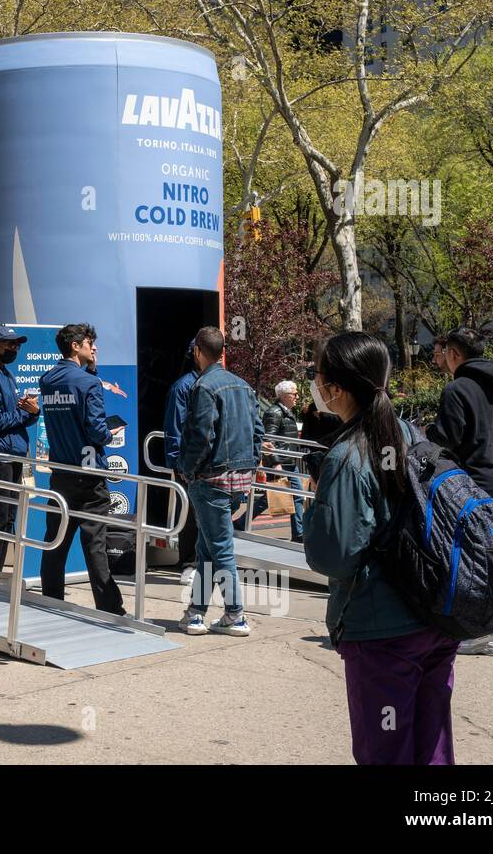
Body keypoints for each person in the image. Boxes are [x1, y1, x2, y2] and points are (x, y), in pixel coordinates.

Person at [305, 331, 459, 765]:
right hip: (435, 617)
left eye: (318, 378)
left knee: (386, 751)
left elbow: (333, 555)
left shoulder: (347, 456)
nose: (315, 388)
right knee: (432, 747)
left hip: (382, 632)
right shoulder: (415, 436)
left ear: (335, 390)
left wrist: (316, 513)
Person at [427, 326, 493, 656]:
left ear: (454, 354)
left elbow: (447, 438)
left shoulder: (458, 389)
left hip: (464, 485)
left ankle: (486, 632)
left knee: (469, 560)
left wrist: (426, 433)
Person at [178, 326, 264, 637]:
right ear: (222, 352)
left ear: (198, 352)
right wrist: (252, 466)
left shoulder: (204, 387)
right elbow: (257, 432)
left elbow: (202, 435)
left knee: (221, 549)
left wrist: (187, 468)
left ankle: (235, 614)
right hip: (239, 478)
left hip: (211, 478)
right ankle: (197, 612)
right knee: (207, 549)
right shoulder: (242, 386)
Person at [38, 323, 126, 615]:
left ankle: (52, 601)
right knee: (95, 545)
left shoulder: (47, 380)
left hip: (60, 475)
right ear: (75, 346)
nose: (94, 347)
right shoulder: (89, 383)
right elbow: (97, 430)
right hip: (89, 478)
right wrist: (109, 435)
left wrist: (90, 372)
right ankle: (110, 607)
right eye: (90, 342)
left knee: (56, 542)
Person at [0, 326, 39, 582]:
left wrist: (32, 412)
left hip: (14, 458)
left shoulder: (7, 375)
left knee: (8, 518)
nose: (15, 348)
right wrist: (27, 413)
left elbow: (15, 419)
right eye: (9, 344)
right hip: (0, 459)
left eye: (17, 344)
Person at [162, 340, 200, 585]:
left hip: (214, 462)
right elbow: (173, 427)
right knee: (189, 515)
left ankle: (206, 563)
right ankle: (189, 562)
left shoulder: (220, 382)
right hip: (189, 463)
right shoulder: (184, 386)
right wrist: (177, 463)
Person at [262, 379, 305, 542]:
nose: (297, 396)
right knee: (291, 495)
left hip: (288, 462)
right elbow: (268, 440)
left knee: (287, 496)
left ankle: (298, 533)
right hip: (281, 463)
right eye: (294, 393)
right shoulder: (275, 412)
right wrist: (275, 462)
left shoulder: (284, 411)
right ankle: (298, 533)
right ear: (284, 395)